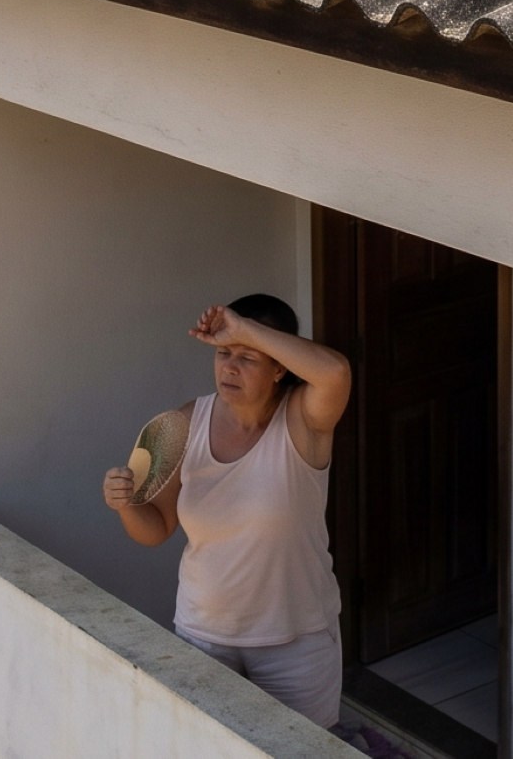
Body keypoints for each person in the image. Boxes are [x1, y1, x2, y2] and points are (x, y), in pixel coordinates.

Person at [104, 294, 352, 729]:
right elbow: (156, 527)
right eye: (223, 353)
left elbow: (335, 372)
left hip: (296, 643)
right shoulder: (185, 424)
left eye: (248, 357)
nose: (229, 367)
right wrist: (124, 505)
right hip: (204, 636)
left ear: (279, 366)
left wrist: (242, 329)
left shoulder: (304, 419)